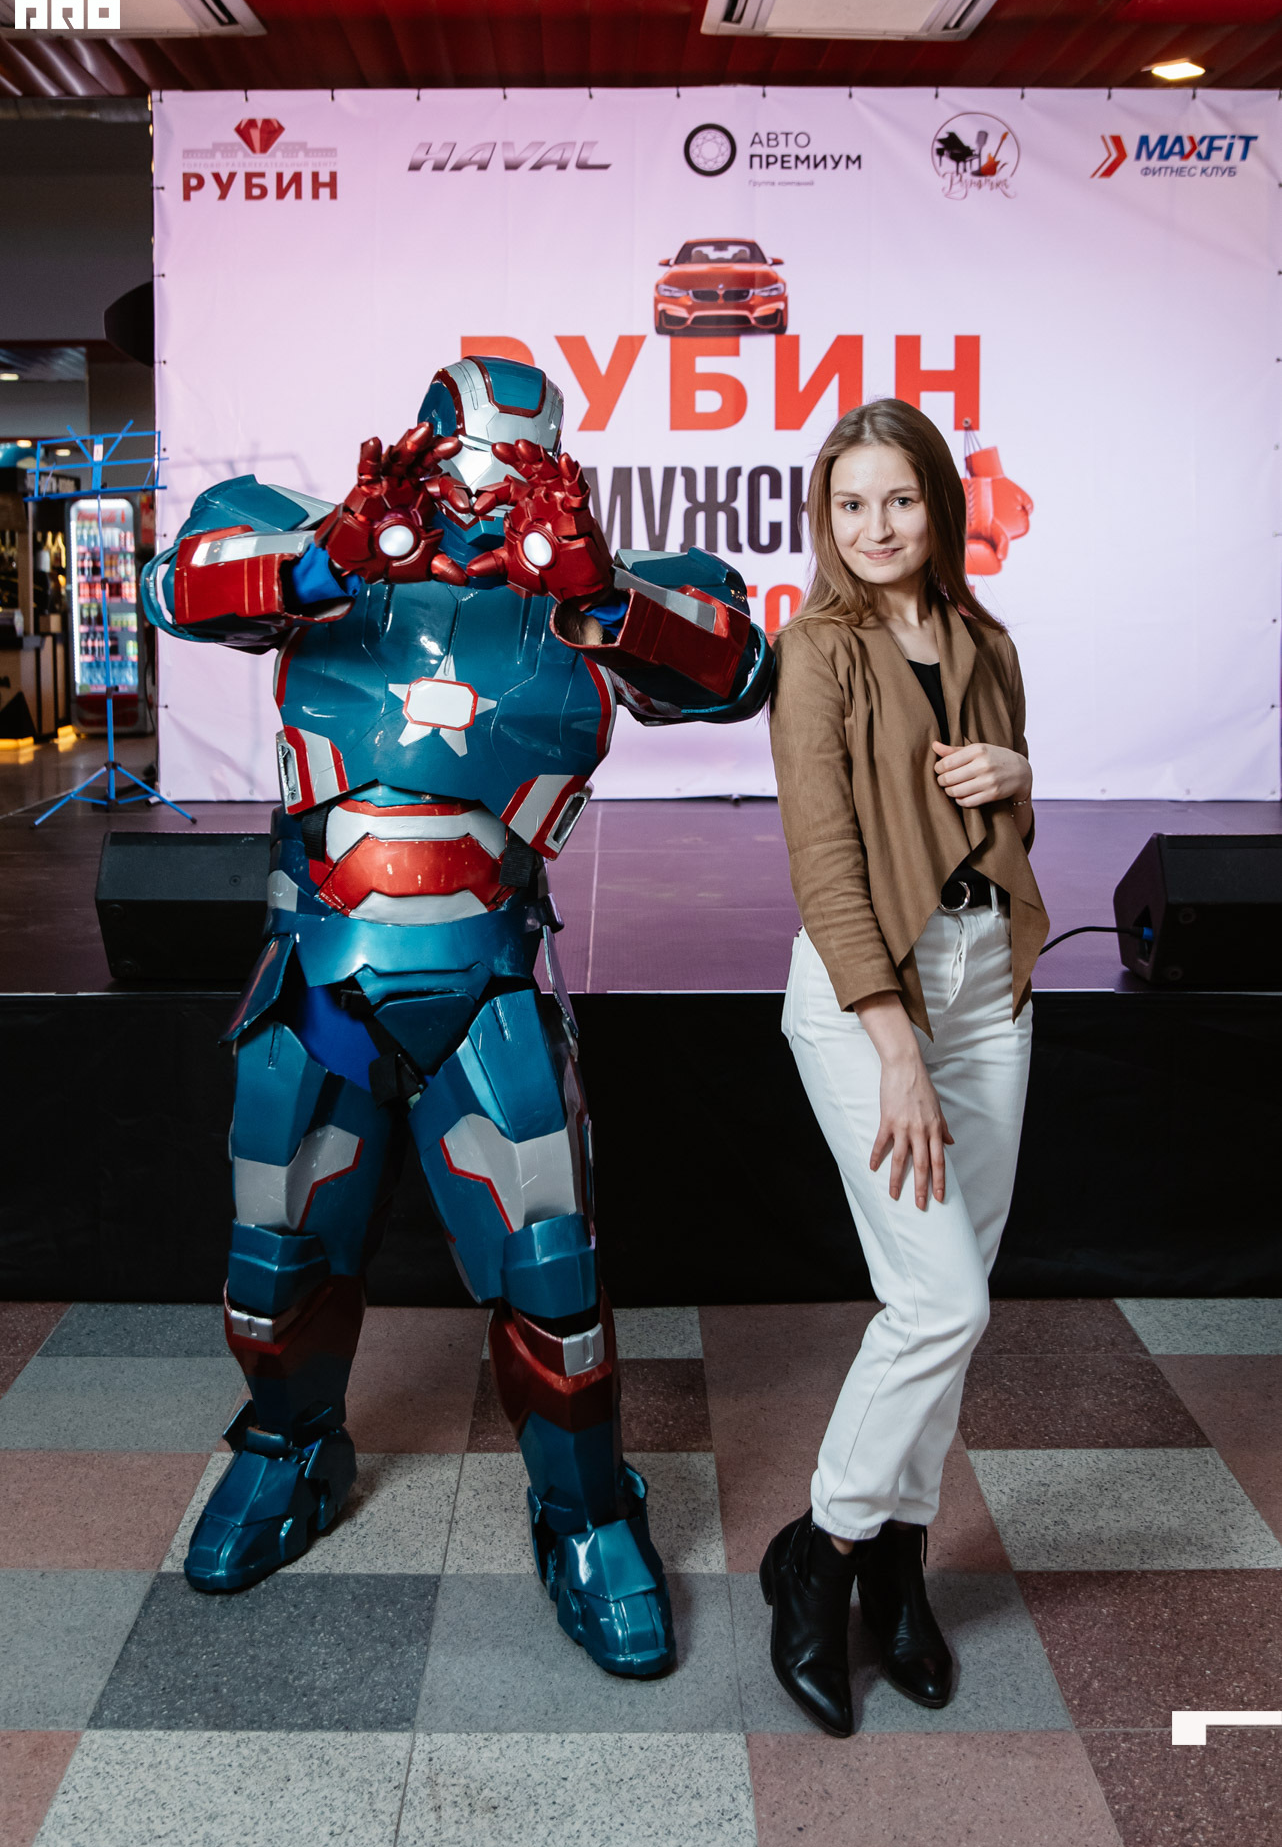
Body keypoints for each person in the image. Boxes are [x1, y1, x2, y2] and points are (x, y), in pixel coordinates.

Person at [140, 355, 772, 1681]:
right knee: (274, 1255)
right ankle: (289, 1448)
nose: (479, 500)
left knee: (552, 1272)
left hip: (489, 982)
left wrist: (599, 596)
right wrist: (327, 556)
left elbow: (733, 666)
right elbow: (177, 586)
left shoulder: (583, 591)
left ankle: (586, 1514)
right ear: (418, 448)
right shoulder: (311, 552)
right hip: (319, 976)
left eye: (513, 469)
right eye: (462, 467)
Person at [760, 397, 1048, 1735]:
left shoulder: (985, 641)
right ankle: (822, 1552)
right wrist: (894, 1047)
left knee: (954, 1302)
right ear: (825, 519)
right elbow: (823, 857)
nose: (875, 527)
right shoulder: (814, 649)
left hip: (989, 987)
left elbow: (998, 821)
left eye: (899, 499)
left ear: (938, 502)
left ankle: (897, 1564)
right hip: (870, 995)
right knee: (939, 1301)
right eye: (849, 504)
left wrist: (1017, 771)